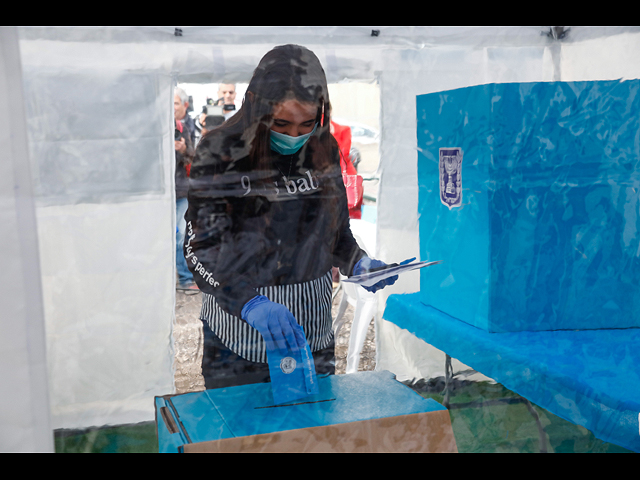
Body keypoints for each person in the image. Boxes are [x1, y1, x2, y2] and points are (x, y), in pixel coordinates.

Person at [185, 44, 399, 390]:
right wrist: (249, 303)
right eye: (281, 123)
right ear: (255, 103)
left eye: (307, 124)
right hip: (239, 335)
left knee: (312, 435)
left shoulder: (323, 149)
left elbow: (335, 231)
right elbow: (200, 249)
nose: (294, 136)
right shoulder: (221, 151)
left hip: (311, 329)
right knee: (245, 439)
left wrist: (358, 263)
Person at [174, 89, 197, 291]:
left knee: (182, 234)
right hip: (160, 193)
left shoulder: (185, 127)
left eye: (175, 103)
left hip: (181, 191)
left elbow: (193, 156)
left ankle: (185, 279)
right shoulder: (154, 126)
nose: (172, 108)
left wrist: (182, 149)